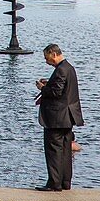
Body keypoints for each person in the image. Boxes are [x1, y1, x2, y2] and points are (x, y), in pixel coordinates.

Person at [34, 43, 83, 192]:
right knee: (65, 151)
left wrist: (43, 88)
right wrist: (50, 83)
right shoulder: (69, 68)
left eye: (46, 57)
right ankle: (65, 182)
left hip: (56, 119)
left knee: (54, 150)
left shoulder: (61, 69)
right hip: (68, 118)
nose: (46, 61)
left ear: (53, 54)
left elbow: (56, 93)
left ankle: (54, 183)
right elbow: (63, 88)